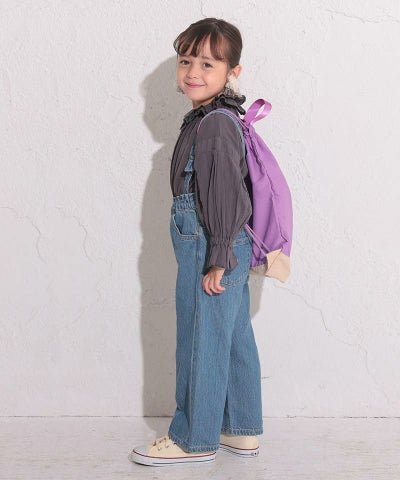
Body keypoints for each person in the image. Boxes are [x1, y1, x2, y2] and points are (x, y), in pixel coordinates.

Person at [129, 17, 263, 467]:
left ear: (233, 72)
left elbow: (224, 195)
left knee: (201, 339)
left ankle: (194, 438)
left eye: (208, 63)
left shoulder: (216, 125)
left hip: (212, 245)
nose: (193, 72)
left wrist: (219, 257)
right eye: (186, 60)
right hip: (220, 243)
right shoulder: (209, 119)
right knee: (232, 336)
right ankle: (239, 429)